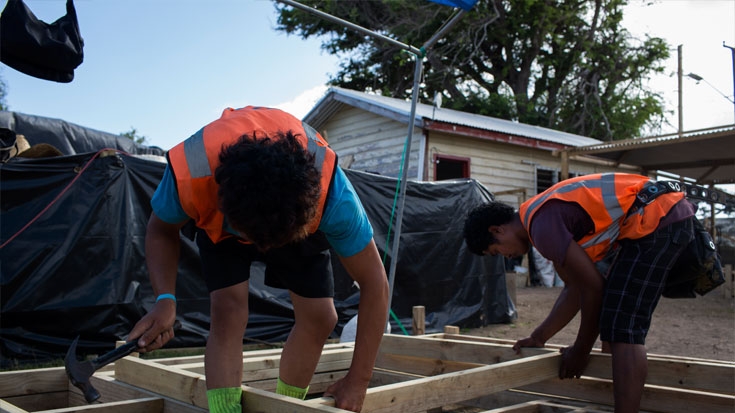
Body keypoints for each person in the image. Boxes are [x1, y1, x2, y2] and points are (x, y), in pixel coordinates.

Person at [128, 106, 390, 413]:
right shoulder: (191, 175)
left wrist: (358, 380)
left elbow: (375, 283)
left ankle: (285, 407)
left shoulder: (333, 197)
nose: (261, 251)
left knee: (321, 317)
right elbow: (160, 230)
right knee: (228, 311)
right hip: (228, 220)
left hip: (290, 216)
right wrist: (165, 299)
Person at [463, 172, 697, 413]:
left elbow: (594, 288)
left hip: (658, 217)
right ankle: (615, 400)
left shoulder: (542, 227)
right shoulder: (538, 221)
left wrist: (581, 351)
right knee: (614, 322)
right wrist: (540, 336)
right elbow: (574, 288)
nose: (505, 256)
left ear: (498, 230)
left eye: (496, 251)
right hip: (657, 216)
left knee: (622, 329)